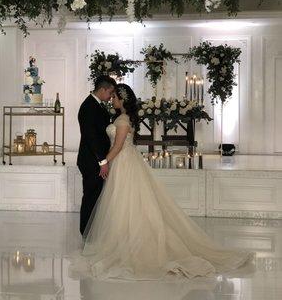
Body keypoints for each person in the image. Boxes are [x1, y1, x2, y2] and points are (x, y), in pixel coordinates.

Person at [72, 83, 253, 280]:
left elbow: (117, 146)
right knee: (124, 203)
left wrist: (104, 162)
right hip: (122, 163)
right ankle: (120, 238)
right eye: (112, 95)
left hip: (123, 163)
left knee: (127, 202)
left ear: (122, 100)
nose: (112, 100)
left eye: (115, 97)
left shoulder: (123, 120)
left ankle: (129, 241)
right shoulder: (119, 118)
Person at [77, 75, 116, 236]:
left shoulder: (96, 105)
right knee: (91, 196)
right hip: (91, 160)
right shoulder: (88, 107)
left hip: (95, 159)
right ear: (102, 89)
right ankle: (86, 232)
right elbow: (91, 136)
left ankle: (91, 231)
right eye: (110, 93)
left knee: (95, 196)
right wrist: (102, 161)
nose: (111, 97)